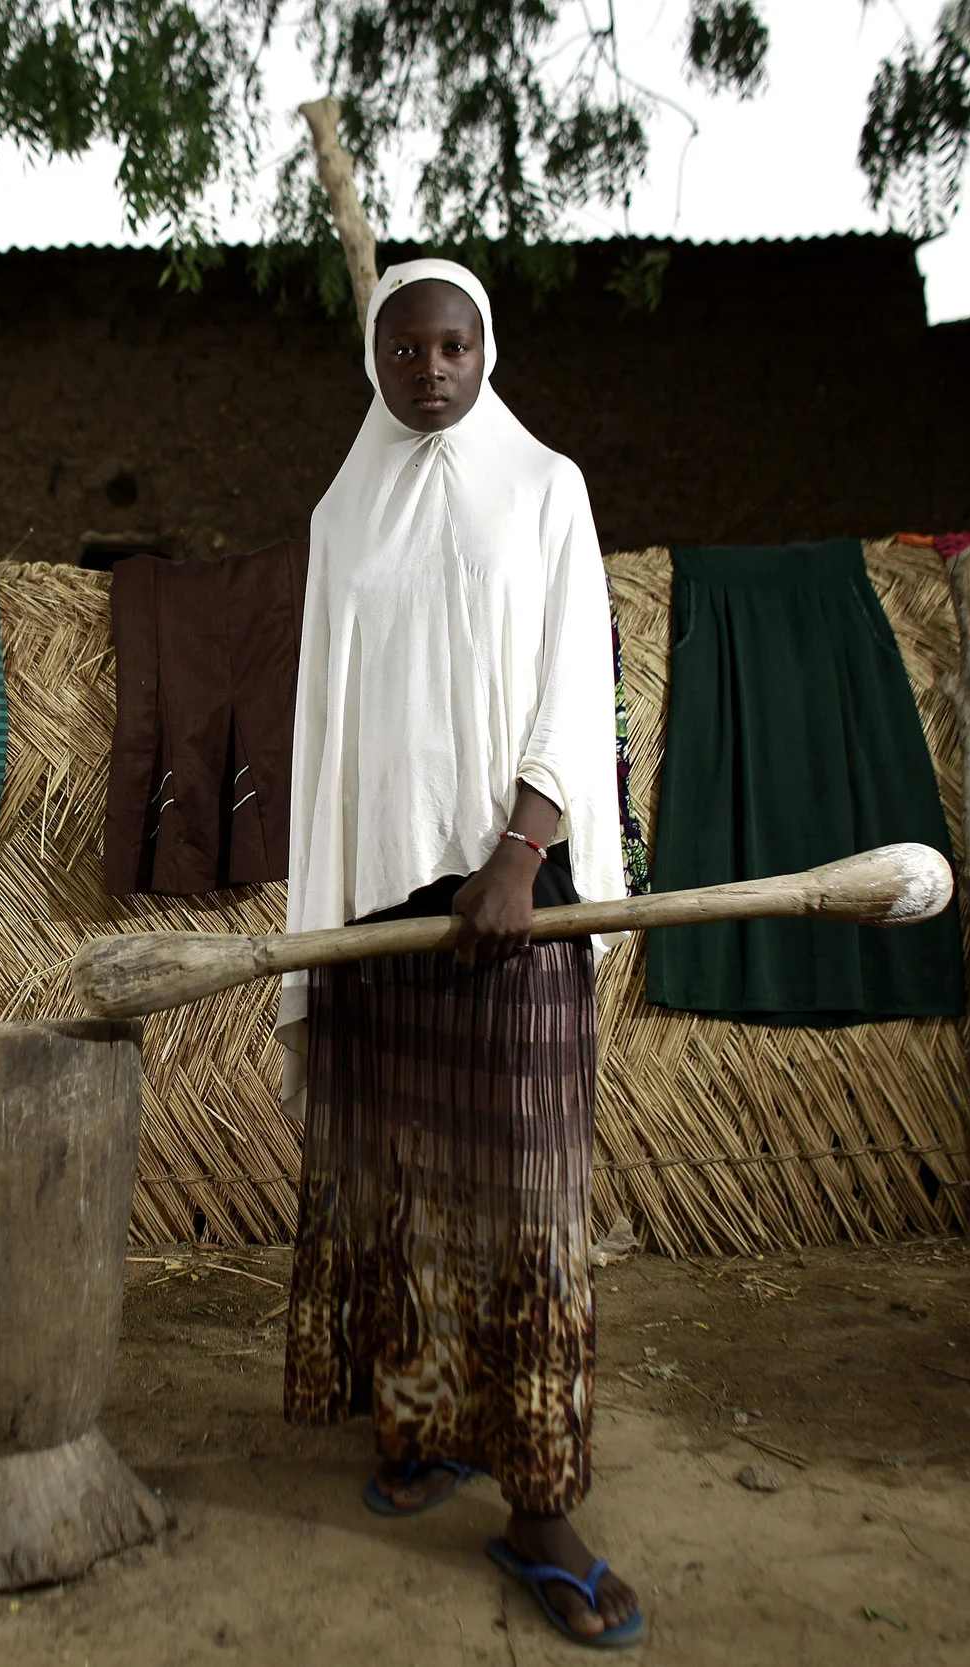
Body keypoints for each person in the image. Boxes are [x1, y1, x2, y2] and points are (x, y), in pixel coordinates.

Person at [279, 259, 641, 1647]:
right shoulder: (342, 511)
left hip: (510, 910)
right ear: (374, 361)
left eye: (452, 344)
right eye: (403, 347)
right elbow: (333, 715)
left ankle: (539, 1504)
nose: (428, 369)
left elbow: (572, 669)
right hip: (385, 909)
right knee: (402, 1185)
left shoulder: (545, 488)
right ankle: (422, 1425)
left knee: (527, 1198)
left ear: (489, 350)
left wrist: (523, 846)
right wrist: (335, 905)